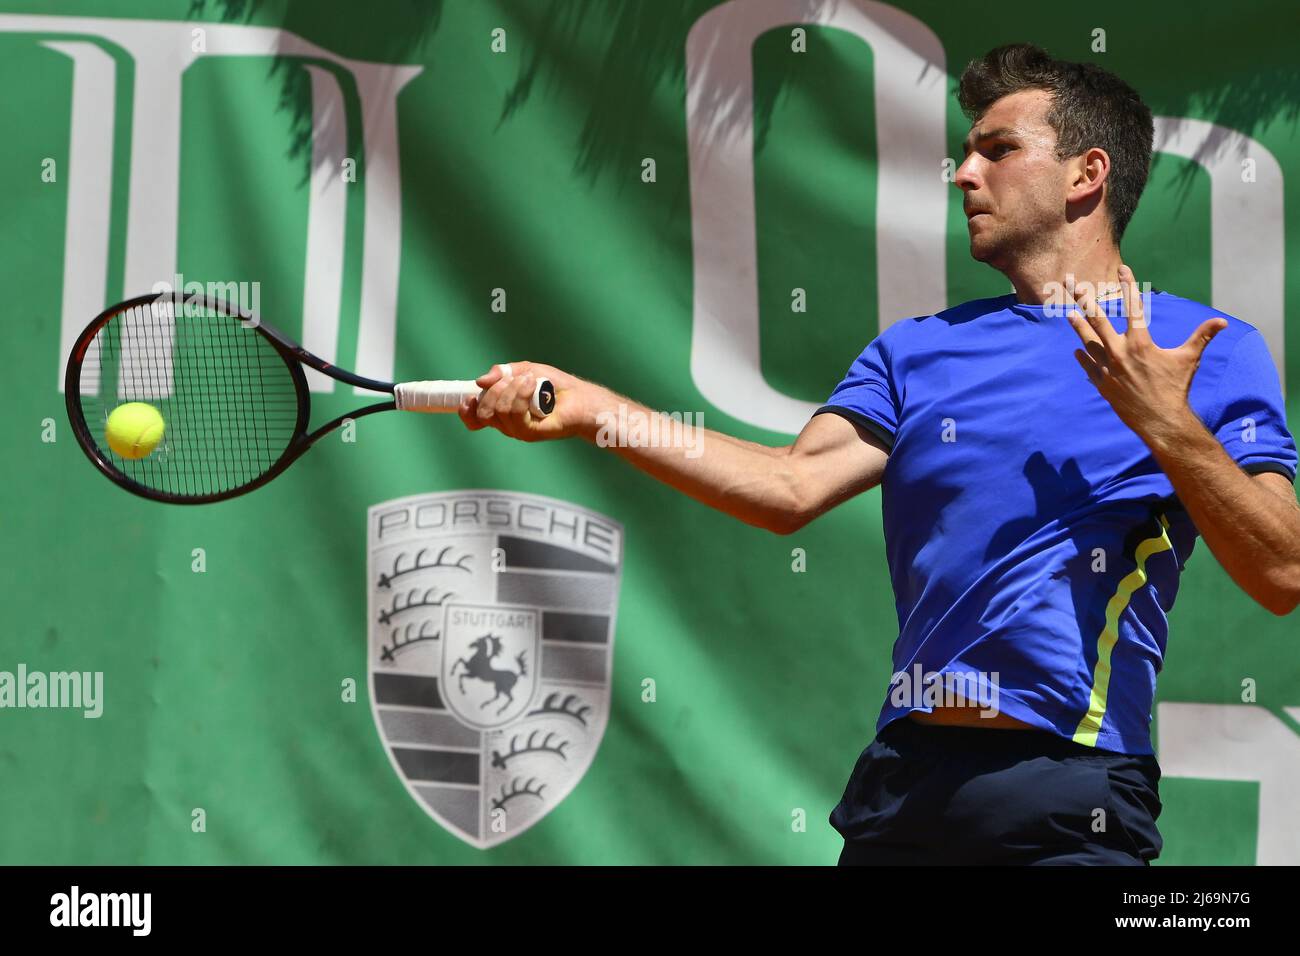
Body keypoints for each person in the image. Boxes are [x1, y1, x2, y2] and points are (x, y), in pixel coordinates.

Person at [455, 43, 1300, 864]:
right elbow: (787, 487)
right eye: (965, 154)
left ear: (1087, 174)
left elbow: (1282, 573)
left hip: (1071, 797)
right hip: (903, 790)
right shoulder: (915, 352)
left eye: (998, 150)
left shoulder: (1208, 350)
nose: (965, 175)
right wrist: (597, 411)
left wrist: (1171, 428)